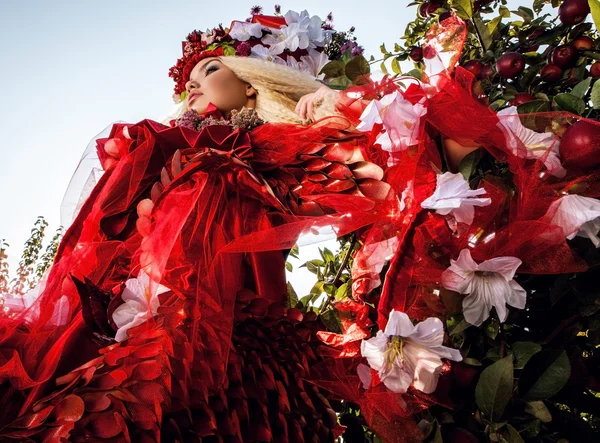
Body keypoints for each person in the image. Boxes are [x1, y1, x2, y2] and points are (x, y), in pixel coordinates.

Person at [2, 7, 594, 443]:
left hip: (221, 292)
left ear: (252, 71)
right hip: (146, 283)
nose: (191, 86)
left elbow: (361, 166)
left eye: (209, 67)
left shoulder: (267, 144)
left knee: (184, 393)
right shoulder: (171, 145)